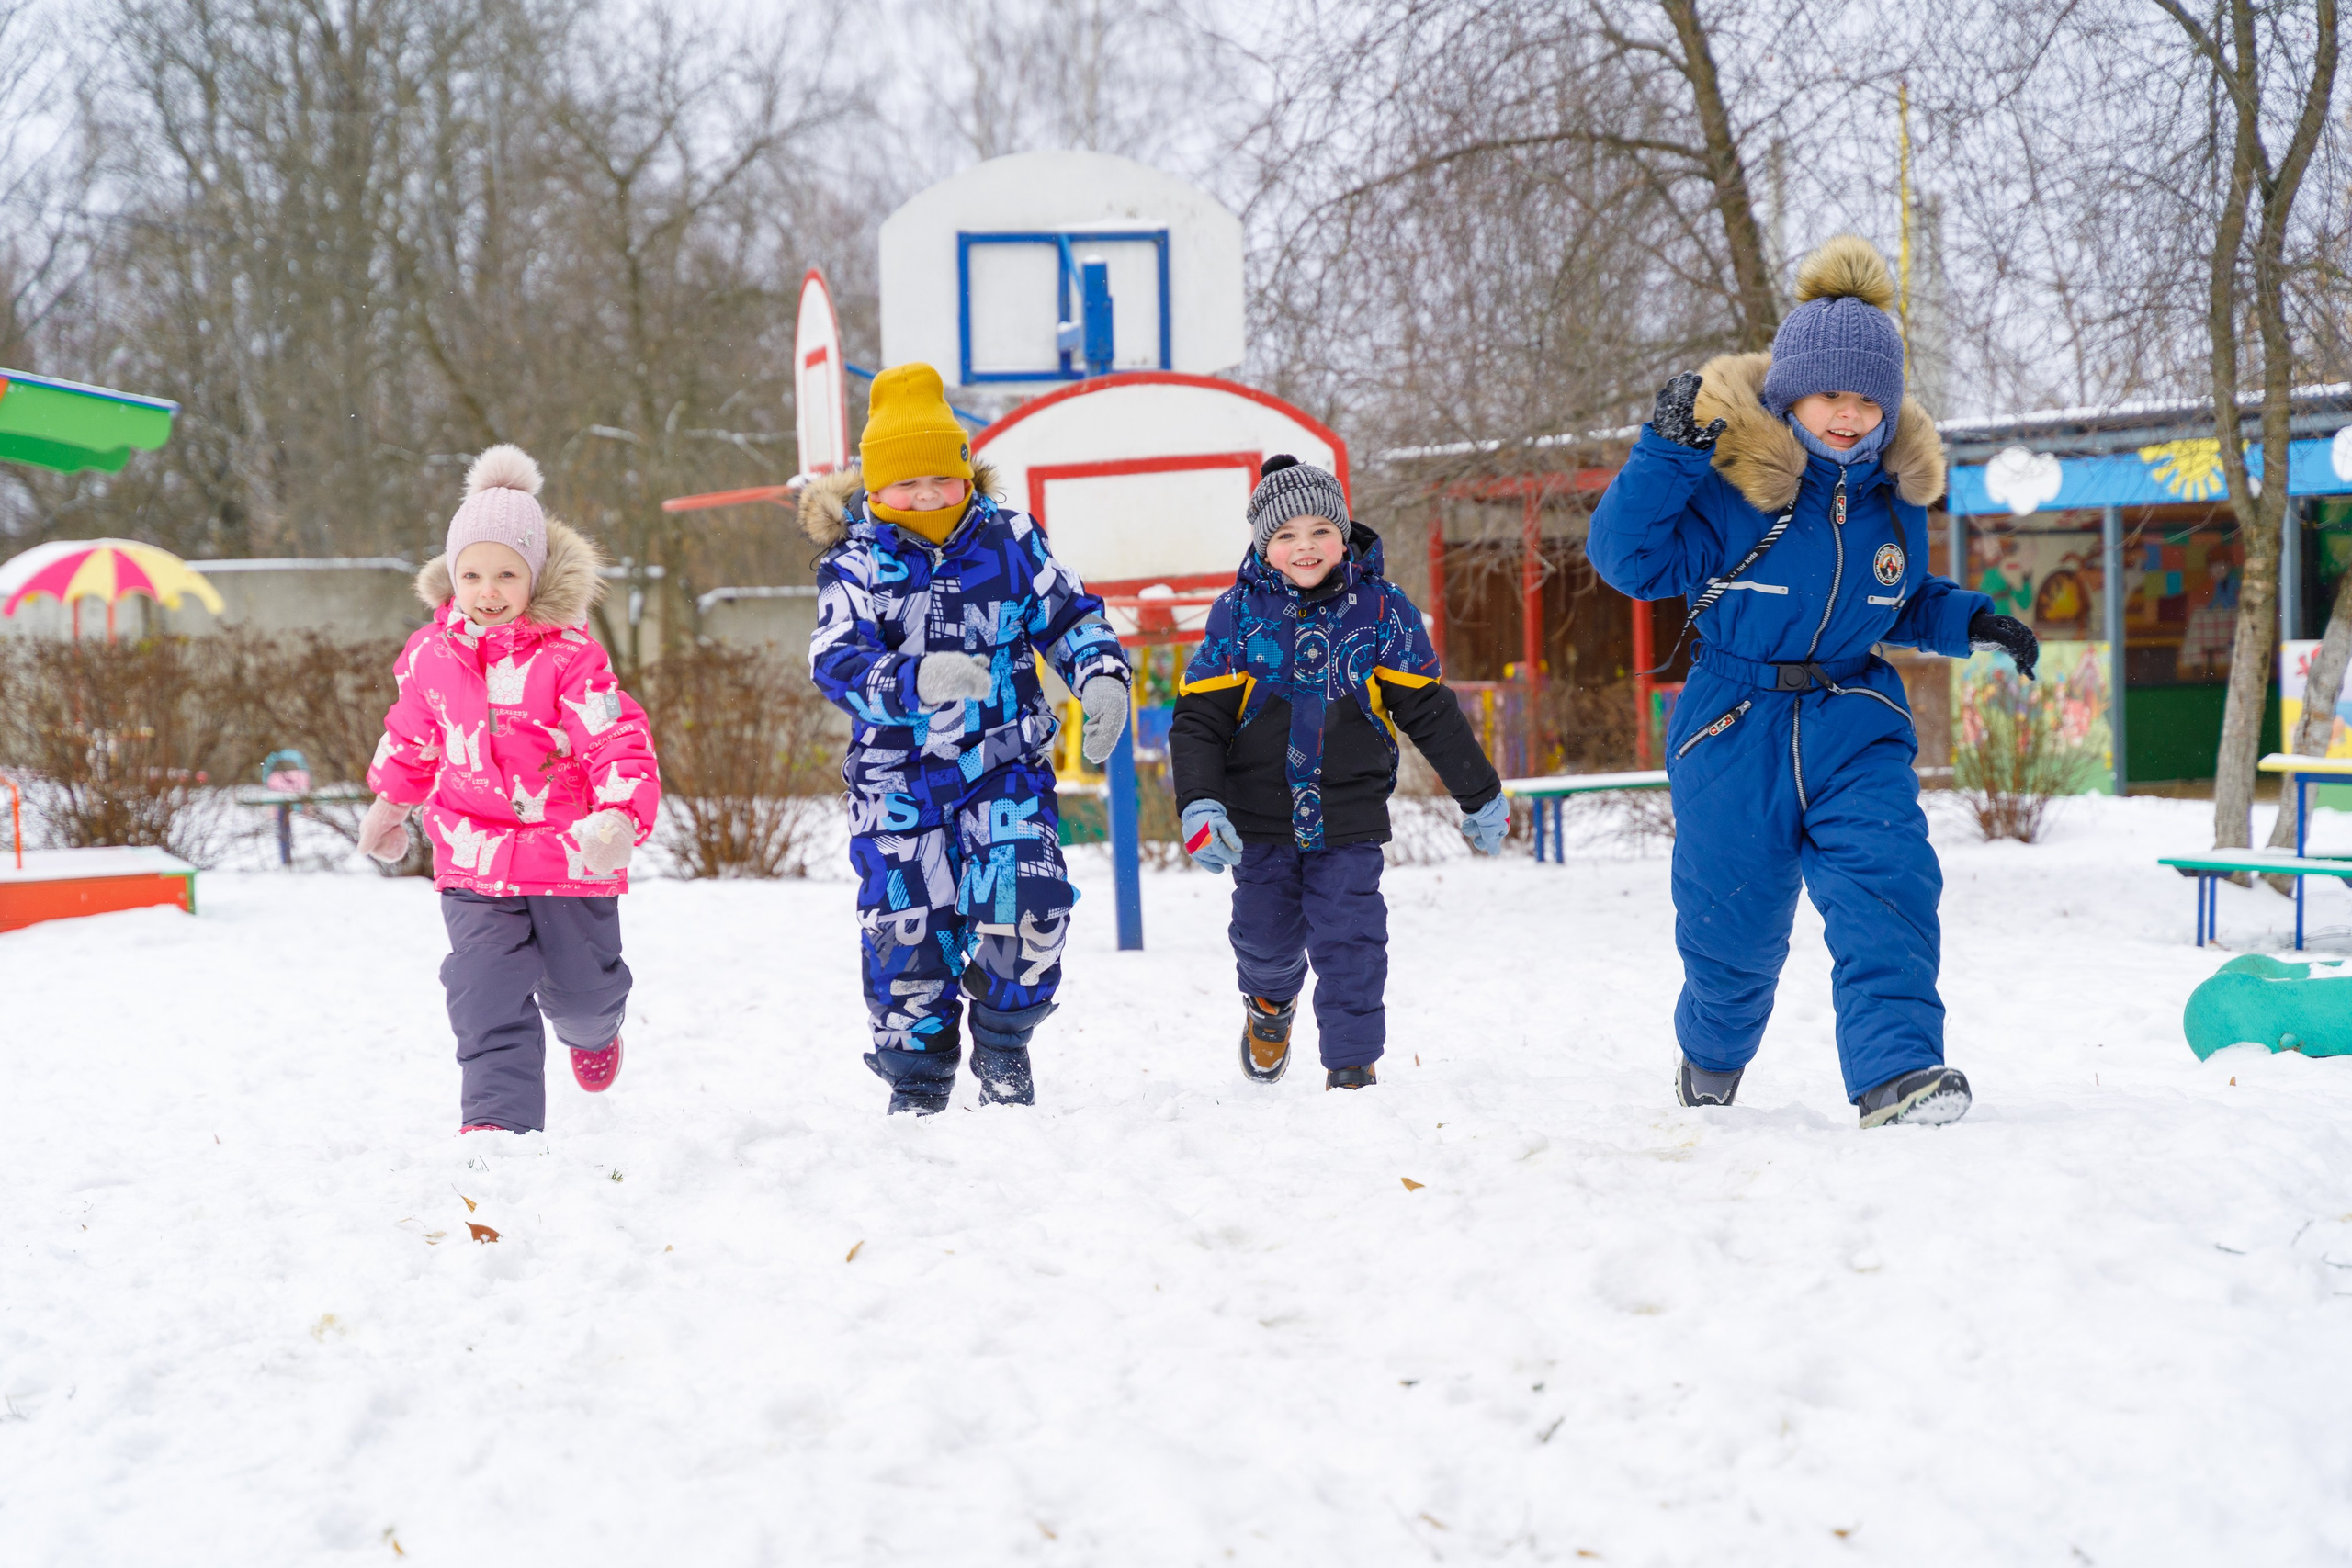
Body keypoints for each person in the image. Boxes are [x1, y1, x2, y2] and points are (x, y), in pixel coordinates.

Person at [1588, 234, 2039, 1128]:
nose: (1849, 413)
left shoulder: (1893, 498)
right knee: (1731, 932)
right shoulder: (1726, 489)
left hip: (1852, 717)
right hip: (1733, 722)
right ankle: (1711, 1056)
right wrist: (1666, 456)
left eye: (1869, 397)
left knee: (1890, 881)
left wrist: (1969, 619)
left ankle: (1897, 1072)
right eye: (1832, 393)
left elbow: (1894, 598)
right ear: (1792, 389)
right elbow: (1627, 560)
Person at [804, 363, 1133, 1115]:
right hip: (898, 784)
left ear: (965, 475)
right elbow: (835, 660)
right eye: (905, 484)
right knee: (906, 937)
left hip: (1003, 763)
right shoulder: (856, 563)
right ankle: (917, 1080)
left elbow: (1071, 615)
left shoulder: (1010, 540)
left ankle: (1005, 1040)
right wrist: (913, 680)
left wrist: (1101, 675)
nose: (926, 497)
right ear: (876, 489)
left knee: (1027, 900)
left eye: (941, 480)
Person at [1171, 456, 1510, 1089]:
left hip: (1349, 812)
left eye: (1320, 531)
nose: (1305, 547)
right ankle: (1270, 1006)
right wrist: (1200, 802)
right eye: (1285, 535)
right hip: (1259, 816)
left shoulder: (1382, 611)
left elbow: (1430, 711)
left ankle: (1353, 1067)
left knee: (1352, 941)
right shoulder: (1237, 616)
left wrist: (1480, 792)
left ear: (1343, 530)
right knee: (1265, 941)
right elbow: (1199, 720)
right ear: (1264, 544)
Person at [356, 446, 660, 1134]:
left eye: (505, 573)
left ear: (535, 575)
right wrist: (390, 802)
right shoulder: (430, 656)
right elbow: (411, 735)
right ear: (451, 576)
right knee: (481, 989)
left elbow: (615, 737)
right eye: (471, 573)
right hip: (473, 853)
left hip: (567, 858)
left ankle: (594, 1029)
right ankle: (498, 1128)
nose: (486, 590)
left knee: (581, 995)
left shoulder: (570, 657)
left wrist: (617, 817)